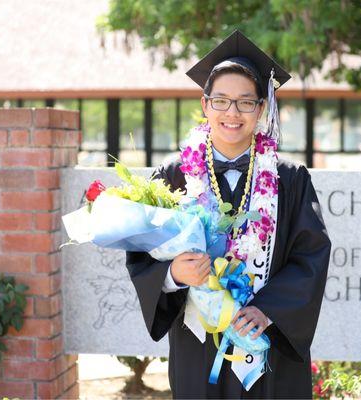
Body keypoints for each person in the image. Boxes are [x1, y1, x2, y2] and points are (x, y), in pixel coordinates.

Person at [125, 30, 331, 399]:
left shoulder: (290, 179)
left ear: (261, 109)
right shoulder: (172, 176)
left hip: (267, 342)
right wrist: (173, 273)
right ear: (205, 106)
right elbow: (141, 255)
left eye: (244, 103)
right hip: (199, 345)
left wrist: (267, 311)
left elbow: (311, 255)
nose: (232, 113)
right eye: (220, 100)